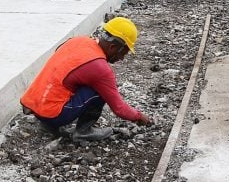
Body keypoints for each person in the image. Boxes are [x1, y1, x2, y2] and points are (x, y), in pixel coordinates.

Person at [20, 17, 153, 141]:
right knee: (99, 91)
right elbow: (119, 108)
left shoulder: (78, 41)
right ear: (113, 47)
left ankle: (47, 124)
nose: (122, 58)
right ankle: (83, 131)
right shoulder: (100, 69)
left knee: (75, 82)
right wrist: (139, 117)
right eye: (124, 52)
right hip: (53, 114)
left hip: (35, 105)